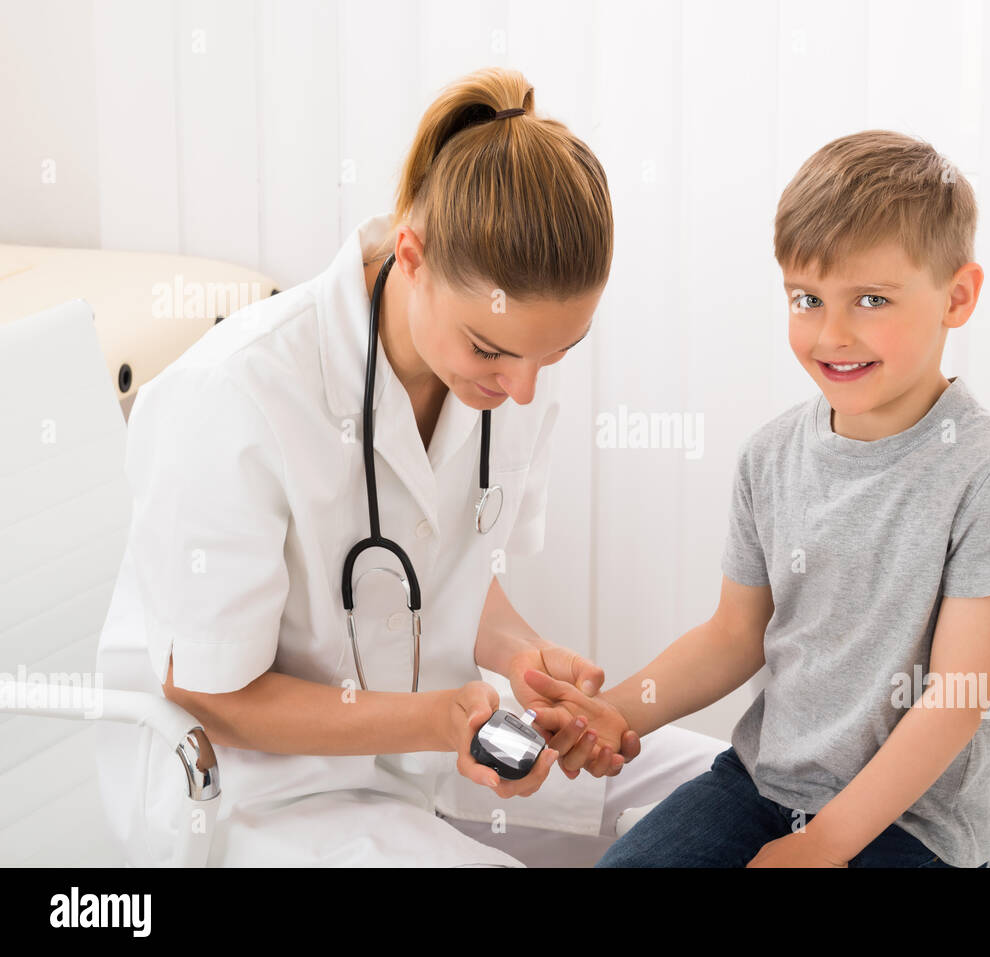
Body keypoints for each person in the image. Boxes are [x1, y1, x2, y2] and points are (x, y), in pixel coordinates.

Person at [93, 66, 726, 867]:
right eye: (492, 348)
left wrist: (524, 656)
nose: (522, 390)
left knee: (730, 791)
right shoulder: (234, 394)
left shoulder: (500, 370)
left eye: (556, 353)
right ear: (411, 255)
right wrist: (435, 719)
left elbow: (446, 566)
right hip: (258, 790)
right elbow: (210, 691)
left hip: (429, 743)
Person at [522, 129, 990, 868]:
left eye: (871, 299)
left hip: (912, 823)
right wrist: (618, 711)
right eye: (807, 299)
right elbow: (733, 635)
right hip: (763, 783)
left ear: (957, 297)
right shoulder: (770, 455)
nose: (831, 334)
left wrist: (826, 844)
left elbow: (959, 695)